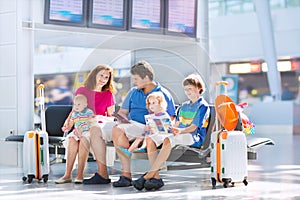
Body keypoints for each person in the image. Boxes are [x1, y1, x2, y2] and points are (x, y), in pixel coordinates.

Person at [132, 73, 210, 191]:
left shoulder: (202, 106)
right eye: (186, 89)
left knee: (169, 139)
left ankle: (148, 175)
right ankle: (156, 177)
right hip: (178, 133)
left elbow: (194, 127)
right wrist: (166, 127)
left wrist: (179, 131)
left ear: (199, 88)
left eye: (190, 89)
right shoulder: (184, 106)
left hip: (192, 136)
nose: (187, 92)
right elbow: (176, 124)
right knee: (150, 138)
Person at [111, 61, 176, 187]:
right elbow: (123, 112)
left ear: (146, 78)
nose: (134, 82)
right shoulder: (133, 92)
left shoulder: (162, 94)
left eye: (136, 79)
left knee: (148, 137)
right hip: (134, 125)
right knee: (116, 129)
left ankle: (155, 177)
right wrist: (122, 118)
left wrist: (158, 127)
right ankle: (126, 176)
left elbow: (171, 117)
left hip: (152, 127)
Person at [55, 64, 115, 184]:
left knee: (84, 139)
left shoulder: (108, 95)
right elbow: (74, 110)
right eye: (101, 75)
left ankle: (79, 175)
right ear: (94, 75)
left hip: (96, 127)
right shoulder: (82, 90)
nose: (103, 79)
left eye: (106, 77)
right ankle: (67, 175)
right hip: (80, 125)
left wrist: (99, 117)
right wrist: (68, 124)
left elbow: (112, 117)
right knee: (72, 139)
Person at [117, 91, 172, 157]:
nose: (151, 105)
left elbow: (168, 129)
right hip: (152, 134)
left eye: (153, 103)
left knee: (146, 136)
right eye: (149, 103)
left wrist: (155, 129)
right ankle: (129, 151)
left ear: (160, 103)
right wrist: (147, 127)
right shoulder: (151, 115)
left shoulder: (164, 115)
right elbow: (149, 126)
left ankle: (142, 147)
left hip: (161, 135)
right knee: (140, 136)